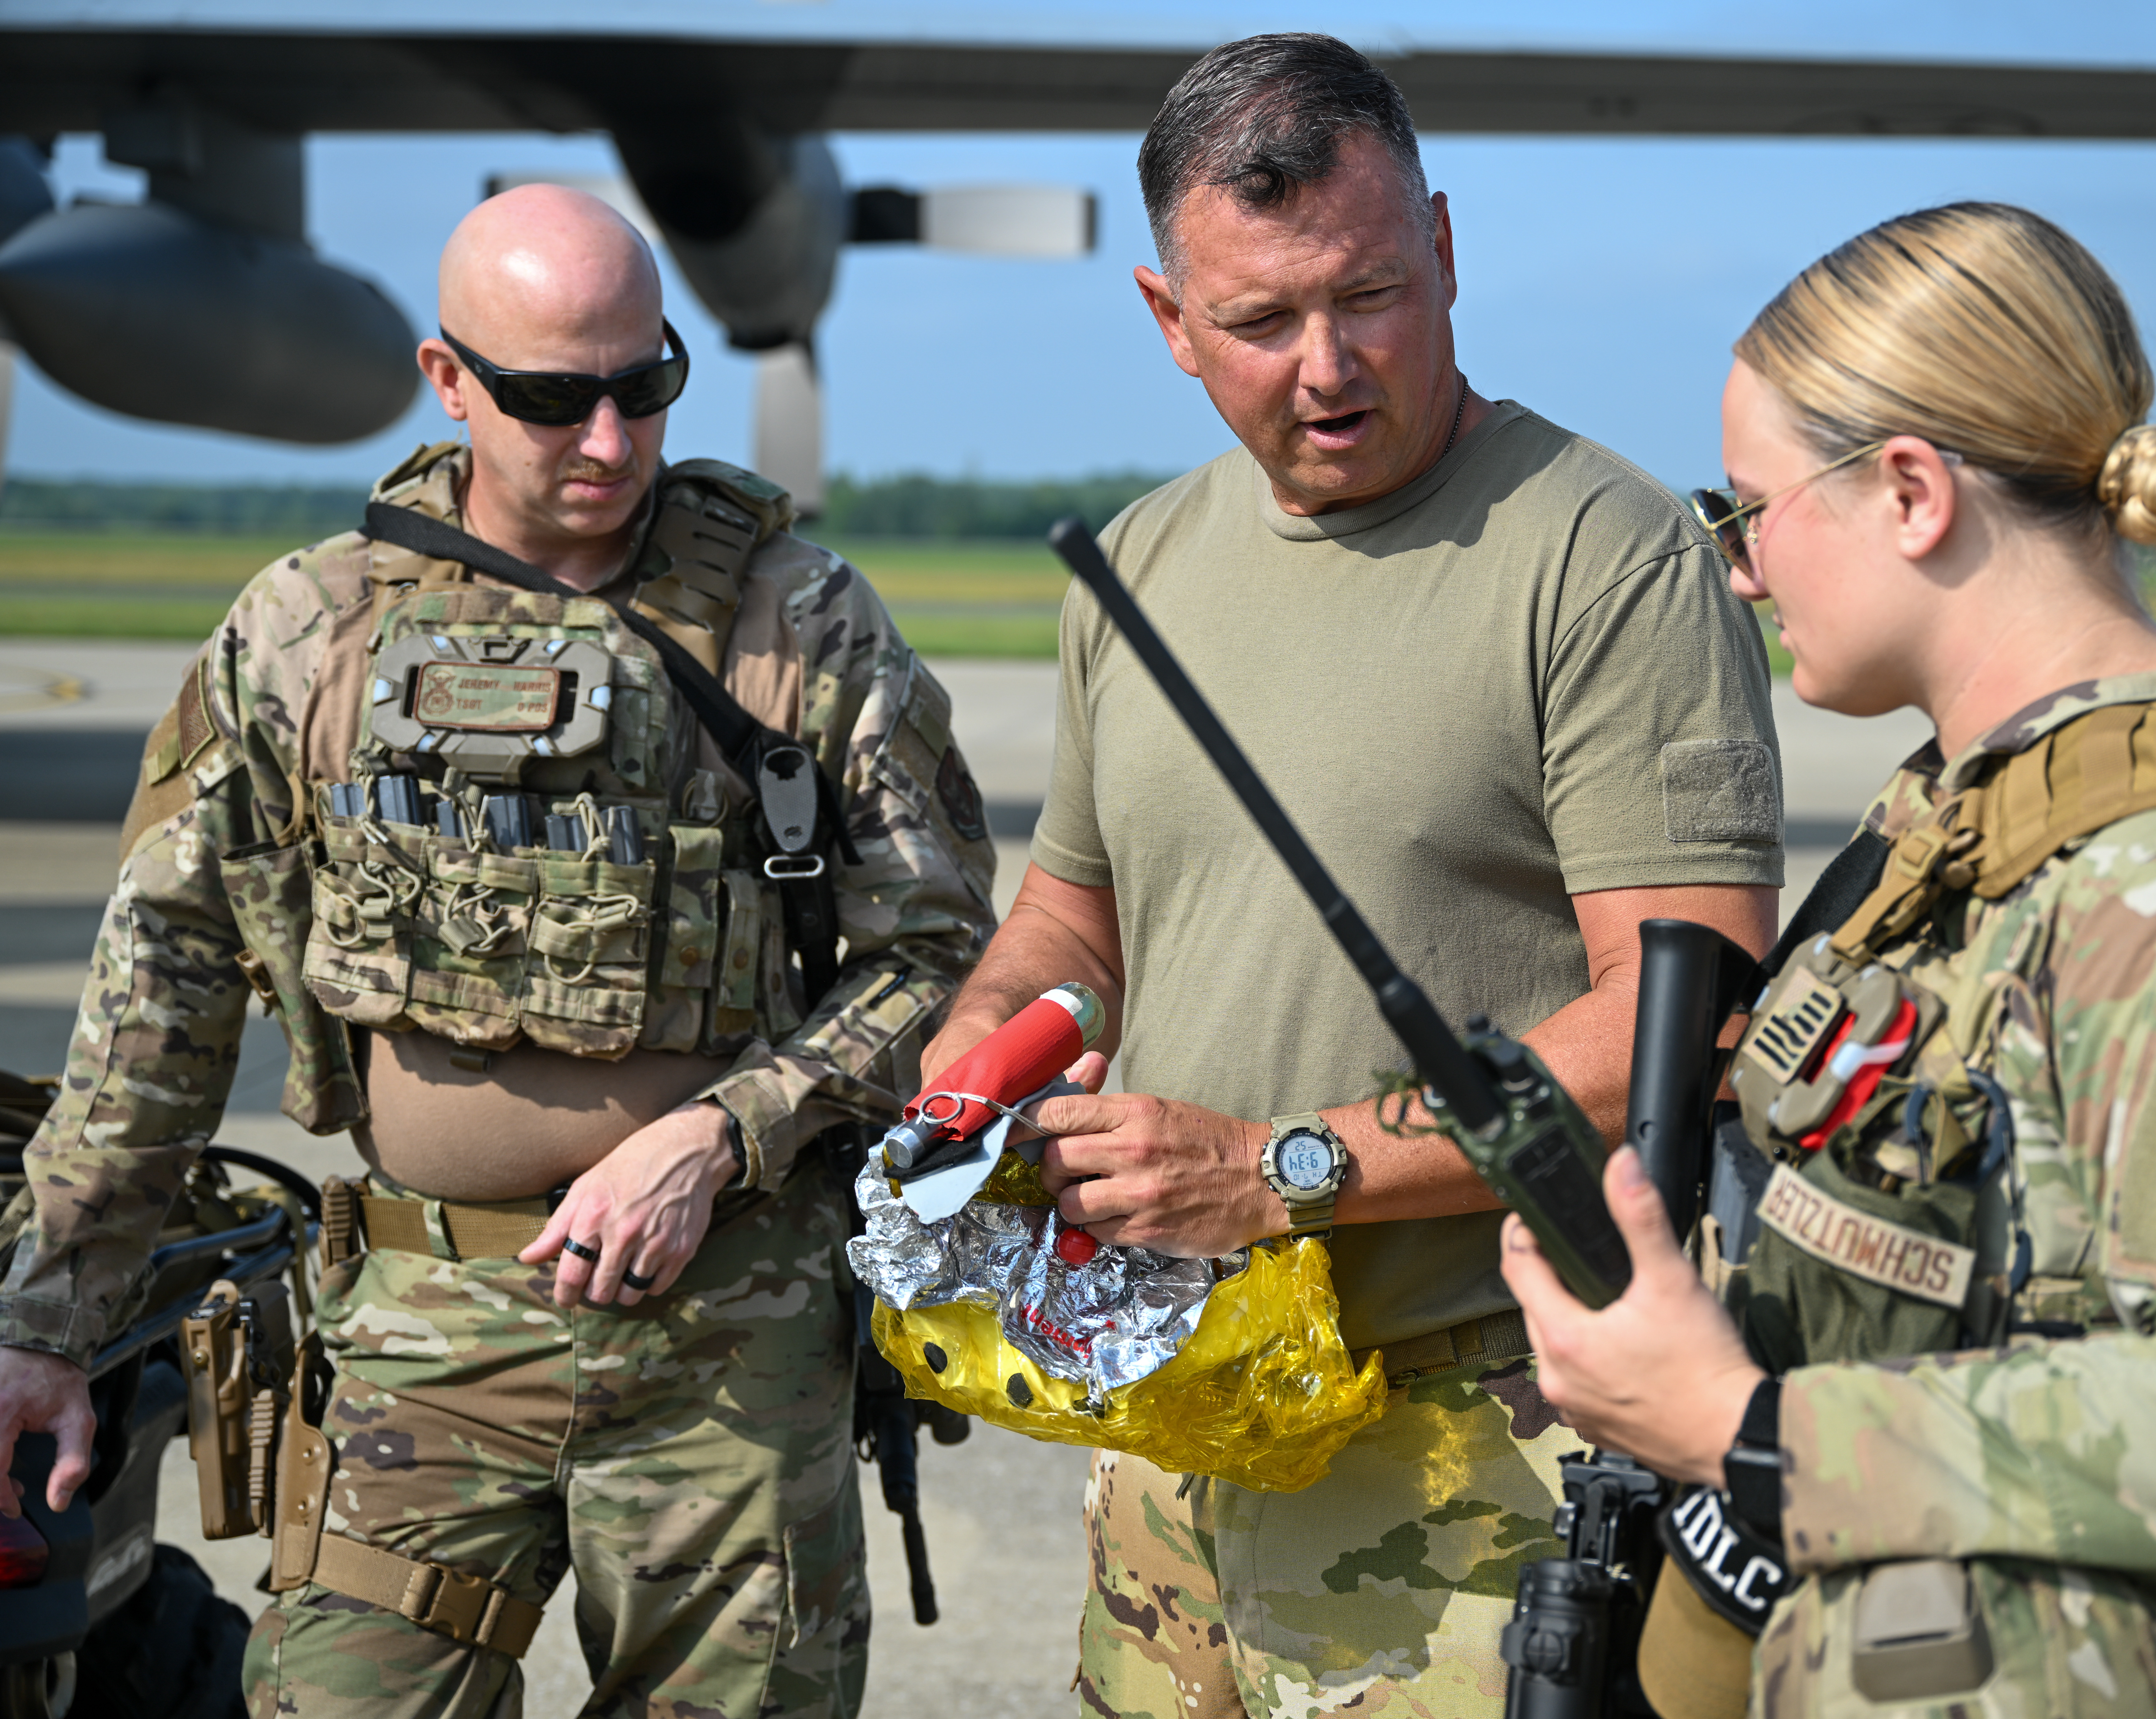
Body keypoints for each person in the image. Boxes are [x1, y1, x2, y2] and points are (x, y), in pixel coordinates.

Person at [0, 186, 997, 1717]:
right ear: (446, 378)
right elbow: (160, 1000)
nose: (608, 439)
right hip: (418, 1337)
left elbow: (937, 960)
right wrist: (47, 1329)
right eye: (550, 397)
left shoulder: (803, 625)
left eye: (643, 383)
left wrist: (724, 1138)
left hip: (726, 1344)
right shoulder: (305, 634)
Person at [913, 32, 1783, 1719]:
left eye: (1372, 293)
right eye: (1258, 322)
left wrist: (1278, 1167)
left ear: (1446, 253)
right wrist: (983, 1048)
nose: (1328, 365)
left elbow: (1691, 1024)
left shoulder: (1605, 562)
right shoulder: (1141, 563)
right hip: (1174, 1427)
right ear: (1171, 324)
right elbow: (1074, 917)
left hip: (1484, 1456)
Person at [1503, 201, 2156, 1716]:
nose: (1740, 573)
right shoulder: (1961, 830)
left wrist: (1753, 1428)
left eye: (1746, 510)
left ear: (1910, 492)